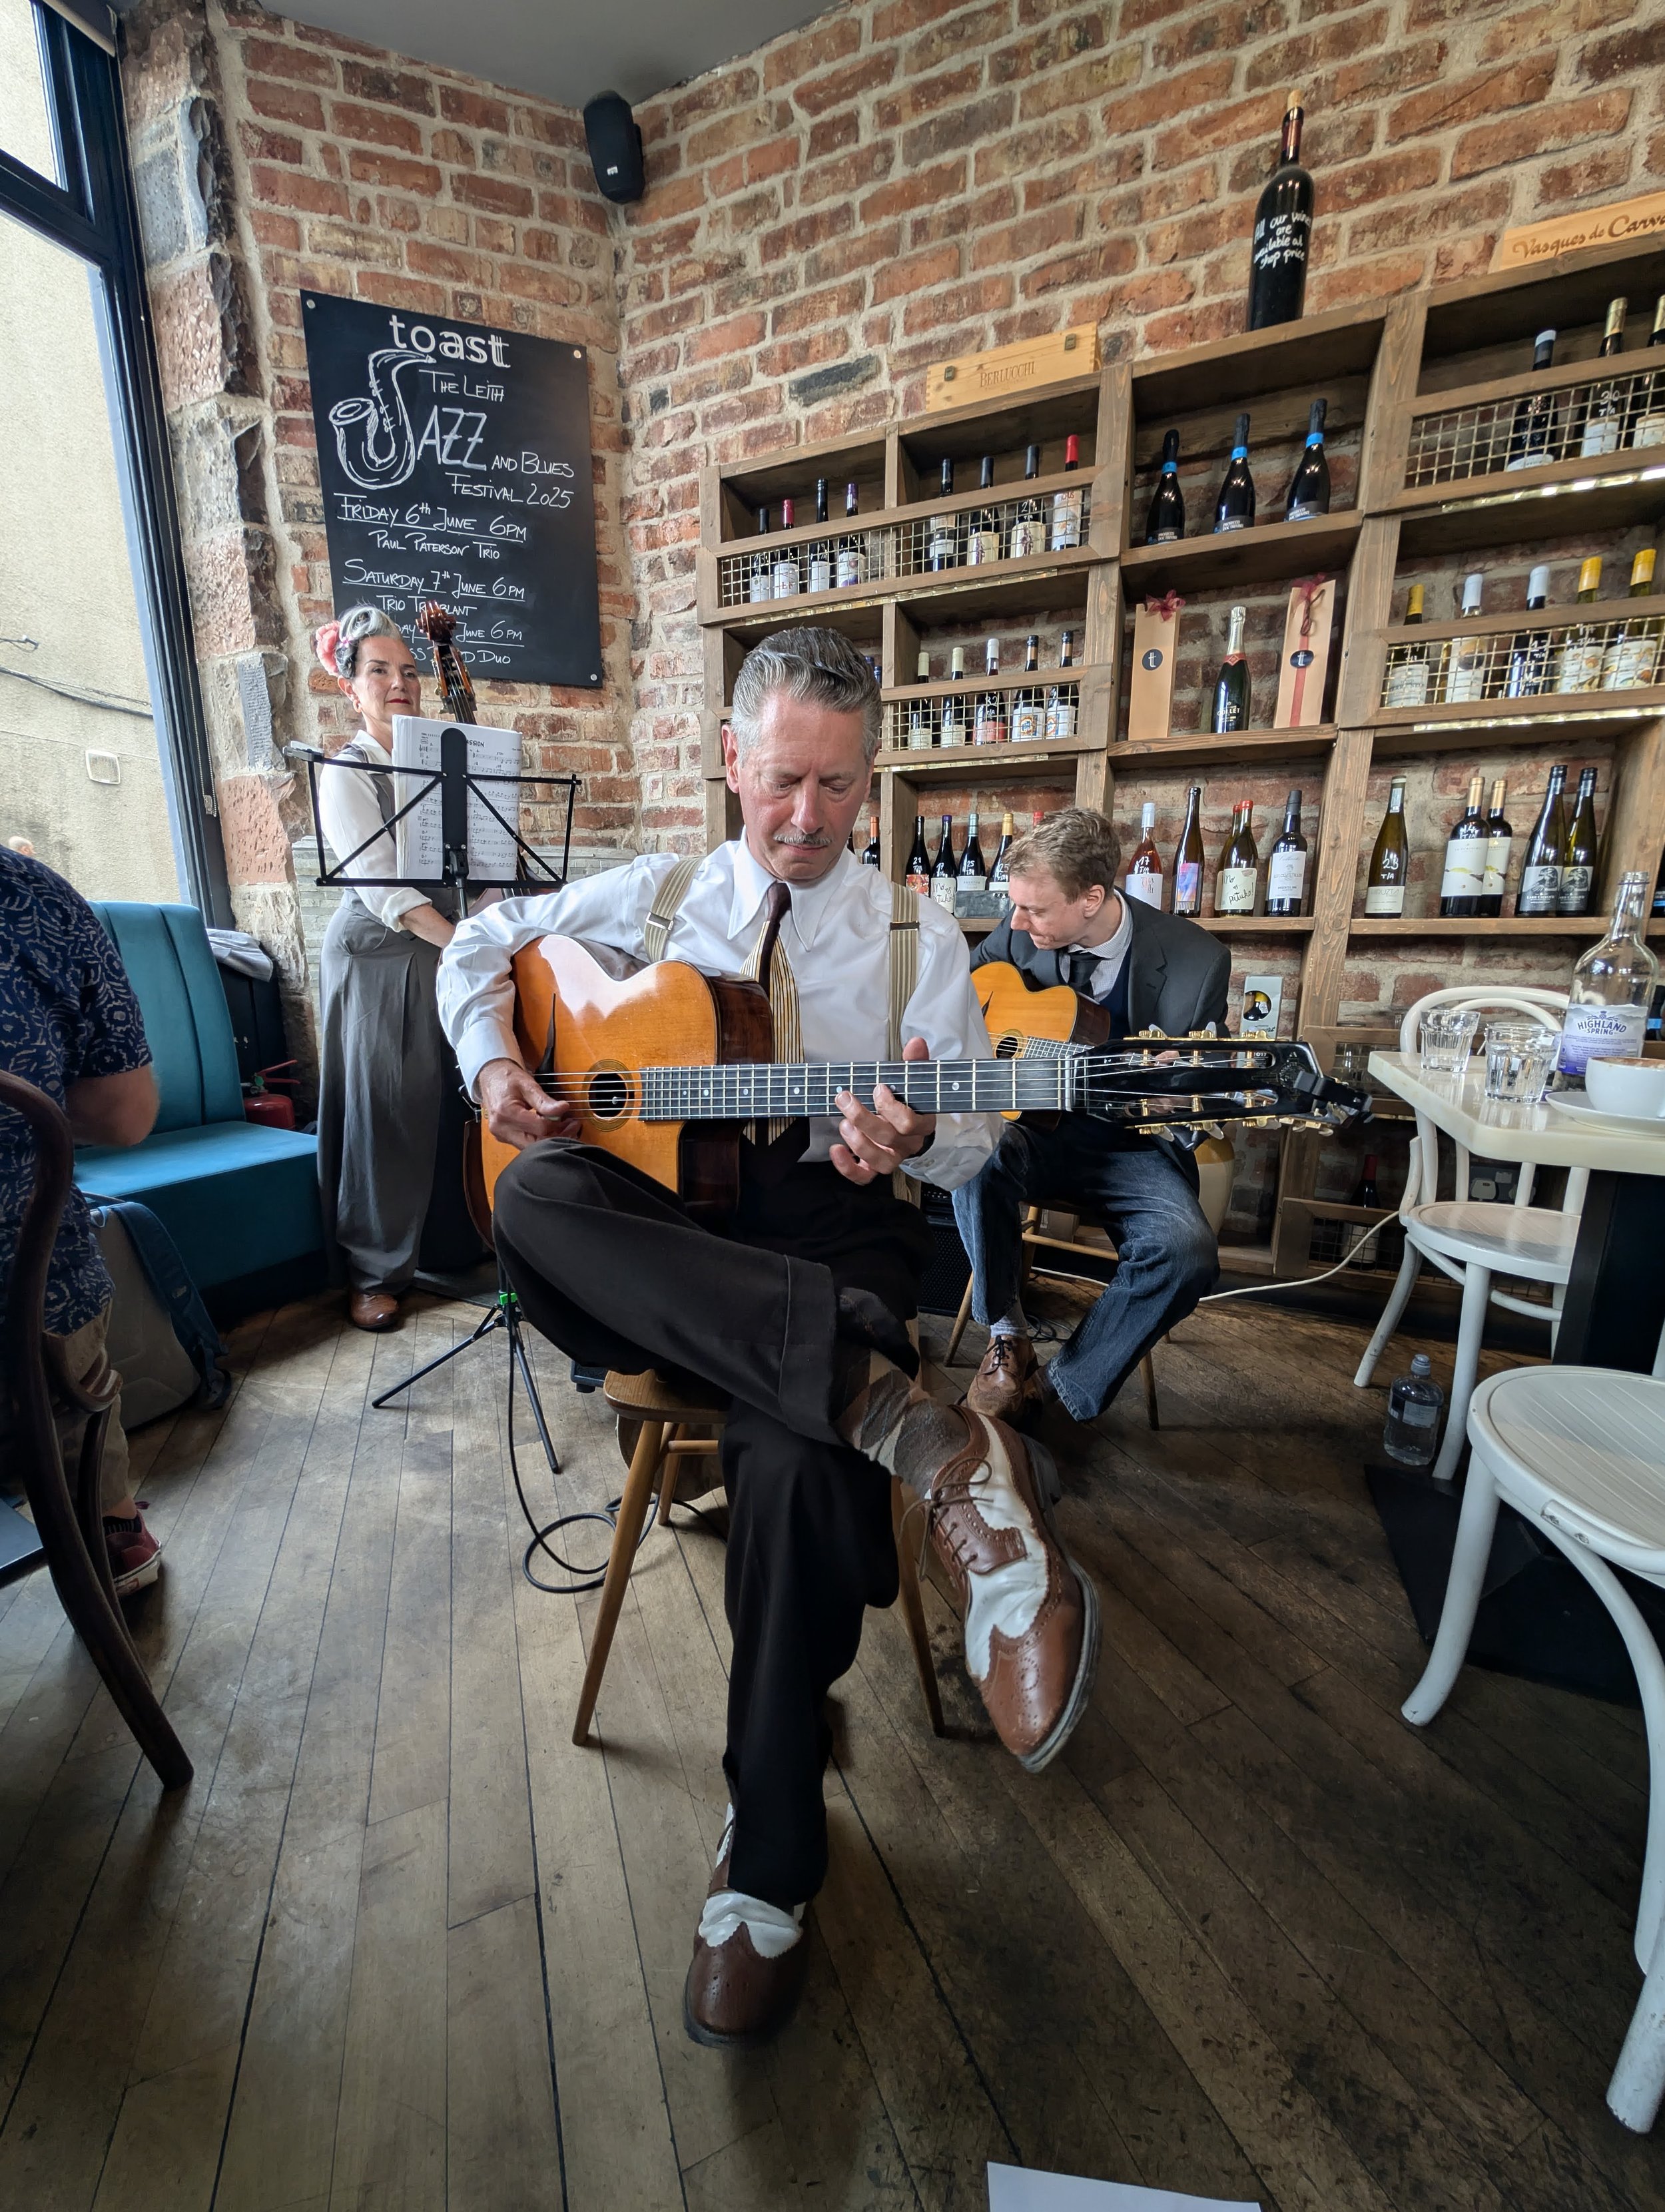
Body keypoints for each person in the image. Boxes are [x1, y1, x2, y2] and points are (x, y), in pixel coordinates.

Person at [438, 628, 1100, 2049]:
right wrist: (497, 1056)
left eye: (839, 789)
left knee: (793, 1471)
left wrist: (924, 1133)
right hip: (664, 1235)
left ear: (872, 783)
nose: (805, 817)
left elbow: (976, 1128)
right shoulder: (661, 891)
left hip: (828, 1225)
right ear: (731, 761)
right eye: (781, 780)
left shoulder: (917, 932)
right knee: (539, 1196)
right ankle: (913, 1425)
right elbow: (487, 944)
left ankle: (767, 1870)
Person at [956, 807, 1229, 1427]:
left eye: (1034, 910)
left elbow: (1204, 1091)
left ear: (1093, 898)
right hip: (1034, 1132)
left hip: (1131, 1147)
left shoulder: (1196, 962)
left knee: (1187, 1252)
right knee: (973, 1148)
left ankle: (1057, 1391)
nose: (1017, 923)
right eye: (1015, 907)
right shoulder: (1019, 931)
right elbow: (969, 998)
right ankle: (1007, 1334)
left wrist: (1177, 1092)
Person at [313, 605, 485, 1331]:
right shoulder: (346, 772)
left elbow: (484, 858)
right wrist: (466, 948)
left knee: (457, 1098)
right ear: (351, 688)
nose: (399, 683)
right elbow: (385, 888)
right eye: (378, 671)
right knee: (387, 1111)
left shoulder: (446, 766)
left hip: (444, 941)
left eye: (409, 671)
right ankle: (374, 1272)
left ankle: (456, 1241)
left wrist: (492, 919)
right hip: (382, 952)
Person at [0, 844, 163, 1593]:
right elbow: (125, 1116)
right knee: (62, 1365)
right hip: (27, 1295)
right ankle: (105, 1521)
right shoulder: (27, 895)